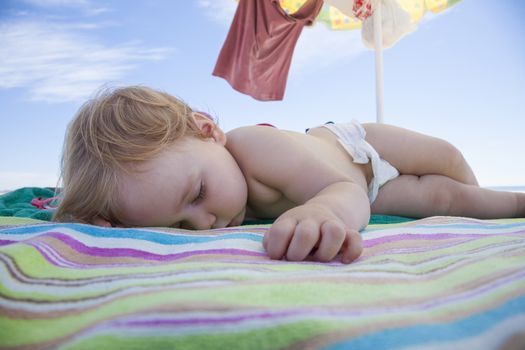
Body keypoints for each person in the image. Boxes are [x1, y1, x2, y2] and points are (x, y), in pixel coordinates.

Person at [54, 86, 525, 264]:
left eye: (198, 193)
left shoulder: (253, 146)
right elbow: (357, 200)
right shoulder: (208, 198)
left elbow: (339, 187)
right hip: (368, 195)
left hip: (354, 151)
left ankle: (480, 183)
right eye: (178, 224)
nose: (204, 223)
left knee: (445, 156)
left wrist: (320, 210)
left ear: (207, 130)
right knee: (446, 200)